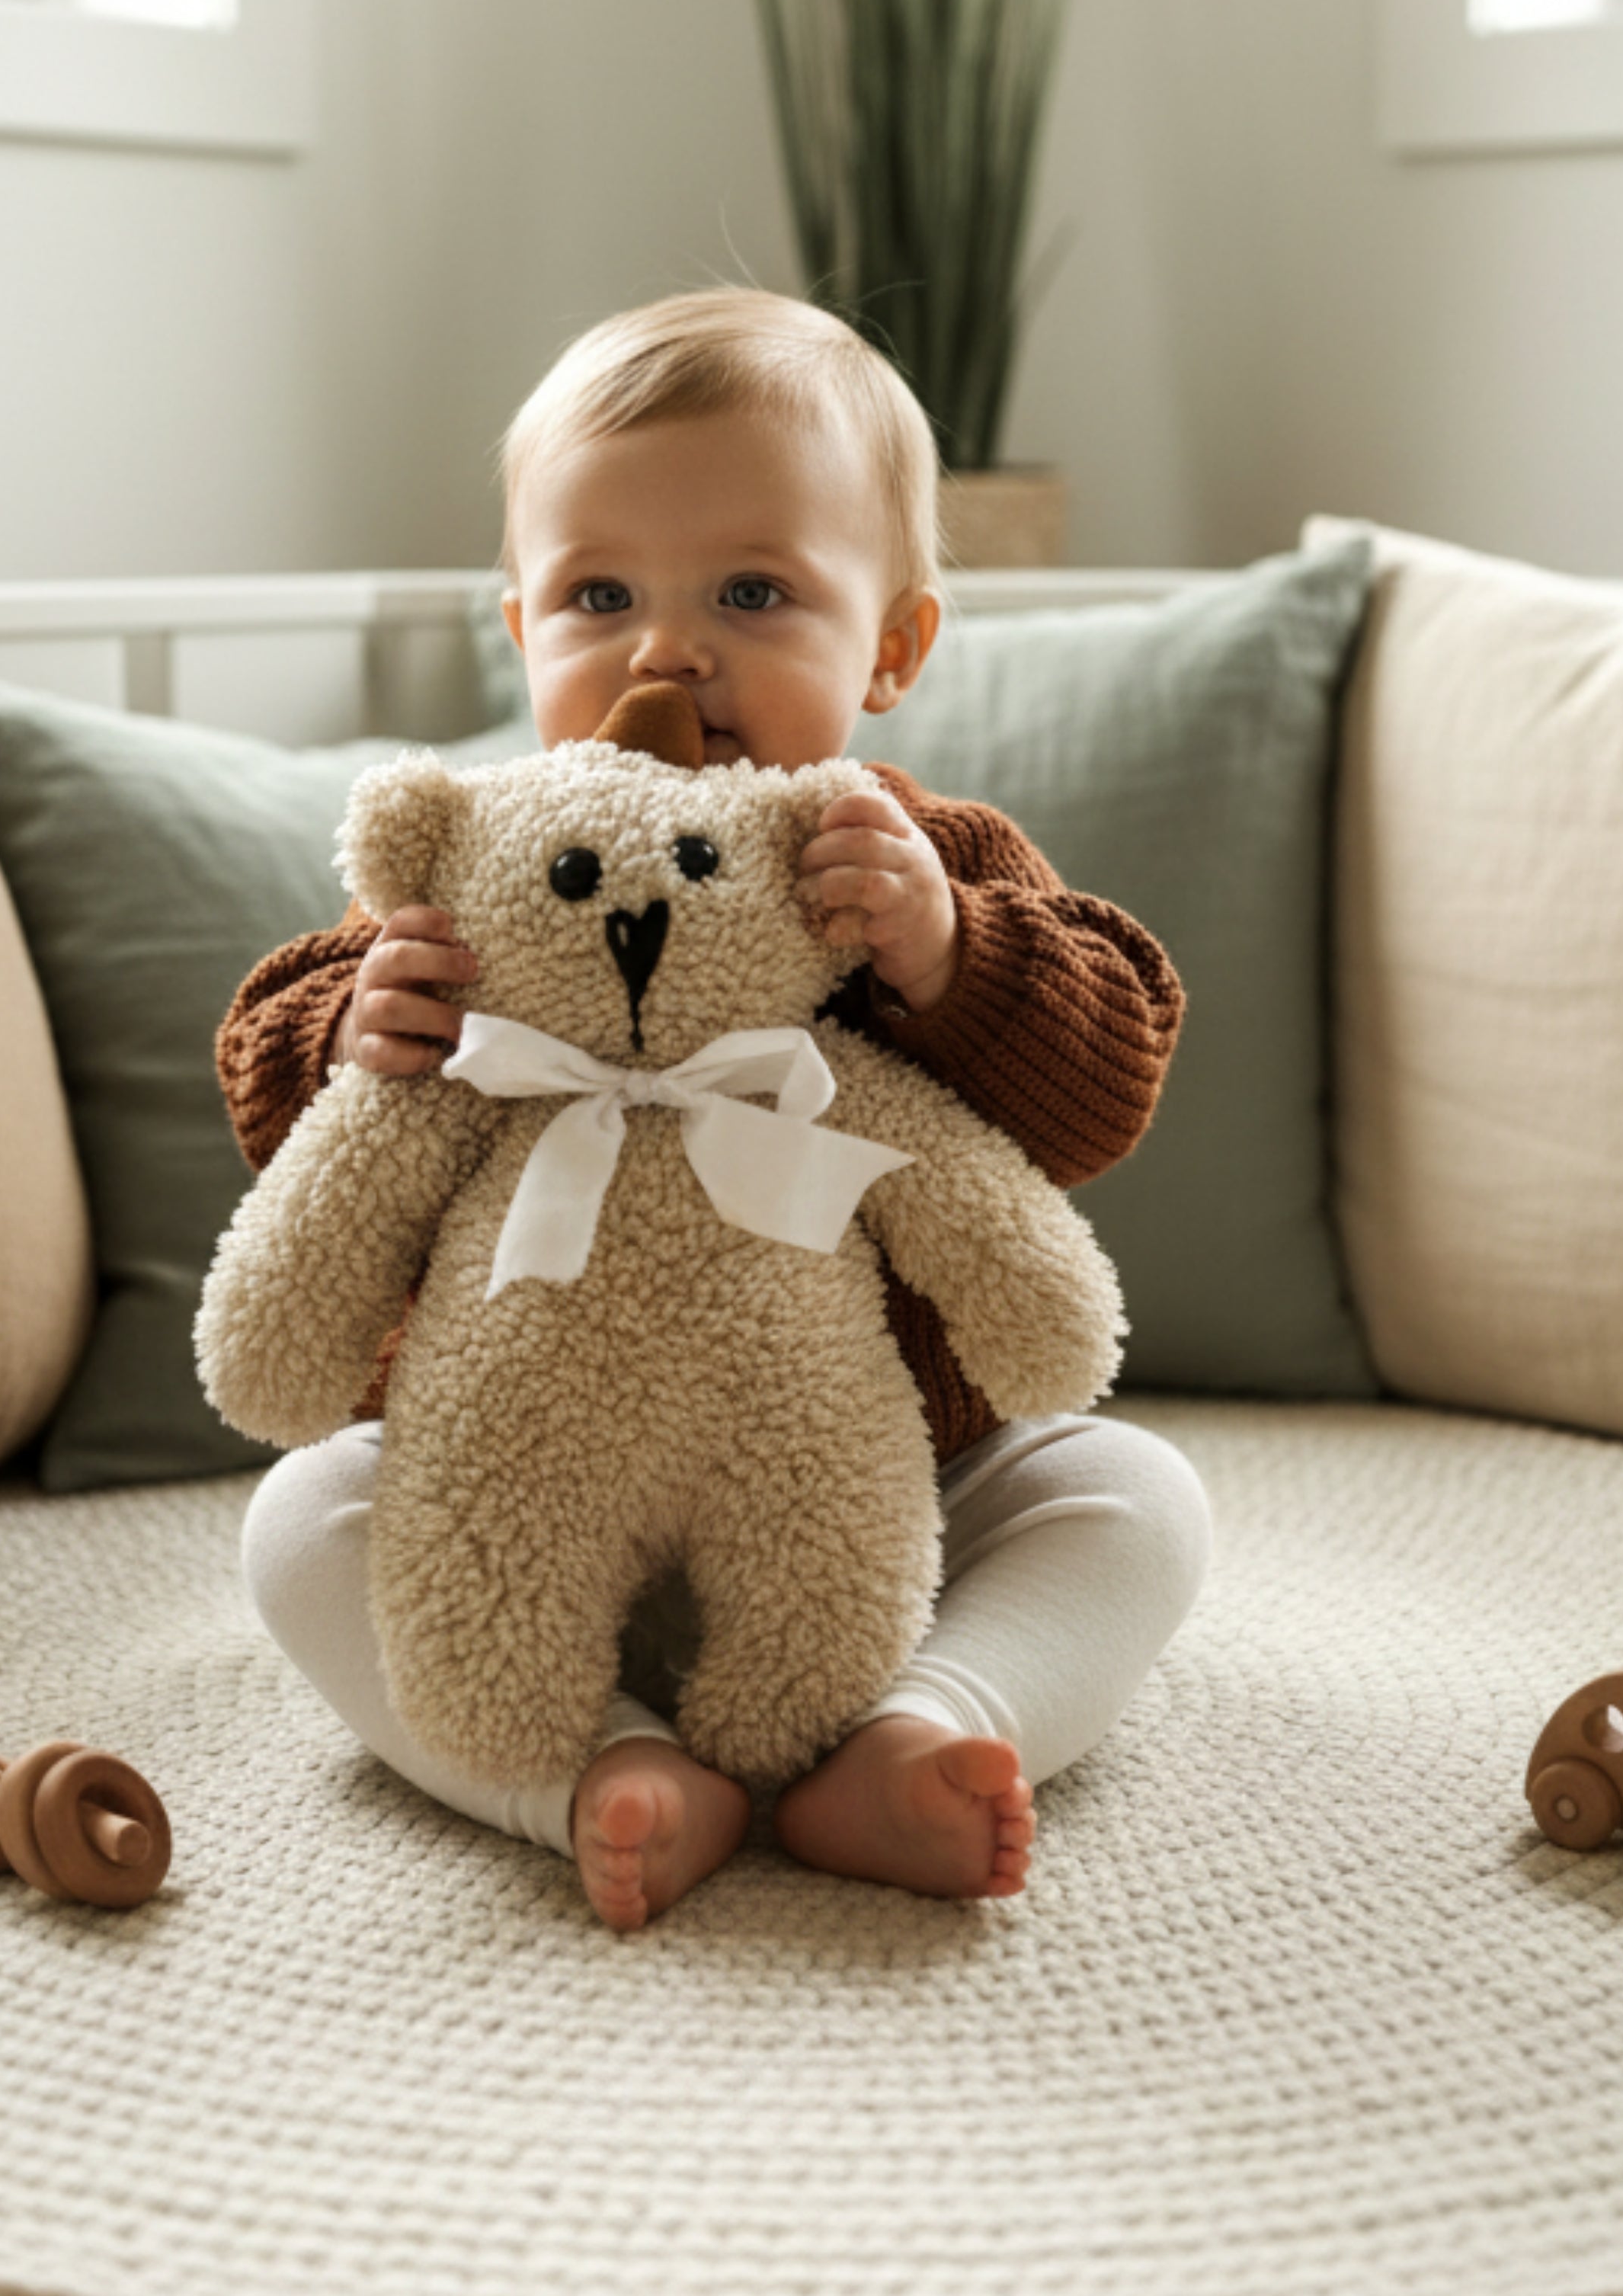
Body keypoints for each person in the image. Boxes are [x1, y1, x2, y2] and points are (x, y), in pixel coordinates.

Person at [223, 289, 1210, 1933]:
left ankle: (920, 1730)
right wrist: (358, 1031)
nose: (666, 651)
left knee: (1130, 1497)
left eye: (752, 592)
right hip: (515, 1495)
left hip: (874, 1505)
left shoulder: (919, 863)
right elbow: (293, 1121)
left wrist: (950, 958)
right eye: (597, 595)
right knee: (303, 1517)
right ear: (520, 628)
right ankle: (596, 1769)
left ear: (892, 645)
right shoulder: (477, 869)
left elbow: (1104, 1082)